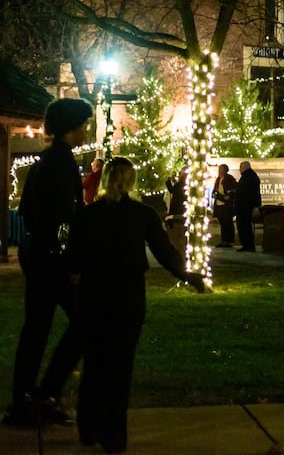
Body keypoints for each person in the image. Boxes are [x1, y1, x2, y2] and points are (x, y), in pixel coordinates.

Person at [65, 157, 206, 452]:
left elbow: (73, 259)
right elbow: (164, 251)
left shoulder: (87, 216)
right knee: (119, 367)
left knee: (94, 363)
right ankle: (114, 435)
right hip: (127, 297)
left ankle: (88, 427)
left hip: (93, 295)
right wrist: (185, 274)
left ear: (103, 180)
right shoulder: (142, 215)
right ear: (130, 181)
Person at [4, 98, 91, 429]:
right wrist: (70, 261)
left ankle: (28, 398)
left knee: (37, 328)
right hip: (51, 259)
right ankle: (42, 395)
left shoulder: (47, 160)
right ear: (71, 127)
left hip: (39, 254)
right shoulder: (61, 162)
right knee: (82, 322)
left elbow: (31, 210)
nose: (87, 130)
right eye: (84, 124)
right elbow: (62, 217)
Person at [235, 160, 262, 253]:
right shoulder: (250, 176)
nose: (239, 169)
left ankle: (247, 245)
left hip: (245, 206)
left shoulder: (248, 177)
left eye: (240, 167)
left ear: (245, 167)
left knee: (244, 226)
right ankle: (247, 245)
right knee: (245, 226)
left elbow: (246, 192)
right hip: (246, 206)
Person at [211, 164, 238, 248]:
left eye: (221, 170)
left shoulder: (230, 179)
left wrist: (227, 196)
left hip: (226, 205)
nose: (219, 171)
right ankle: (223, 240)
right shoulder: (218, 179)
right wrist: (214, 194)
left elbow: (232, 191)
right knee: (222, 223)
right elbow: (215, 190)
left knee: (228, 223)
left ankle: (229, 241)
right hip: (219, 204)